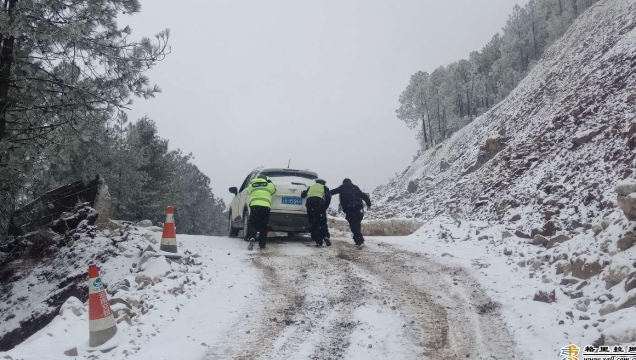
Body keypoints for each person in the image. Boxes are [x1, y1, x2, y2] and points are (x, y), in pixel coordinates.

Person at [329, 178, 371, 248]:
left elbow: (333, 191)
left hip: (350, 208)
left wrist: (325, 192)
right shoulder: (356, 187)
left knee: (353, 224)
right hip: (359, 208)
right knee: (357, 224)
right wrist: (368, 204)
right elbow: (364, 196)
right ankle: (359, 239)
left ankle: (359, 241)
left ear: (343, 183)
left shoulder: (342, 187)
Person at [246, 174, 277, 250]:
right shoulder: (269, 185)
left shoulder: (252, 184)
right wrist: (270, 182)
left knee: (253, 223)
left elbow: (248, 191)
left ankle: (252, 237)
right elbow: (274, 190)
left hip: (255, 206)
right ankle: (262, 244)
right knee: (264, 225)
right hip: (265, 207)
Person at [301, 179, 332, 247]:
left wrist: (303, 192)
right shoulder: (324, 187)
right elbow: (328, 197)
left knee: (314, 224)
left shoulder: (310, 187)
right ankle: (326, 236)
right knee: (322, 222)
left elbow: (303, 195)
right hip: (319, 205)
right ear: (323, 183)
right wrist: (324, 207)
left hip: (310, 205)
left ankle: (319, 241)